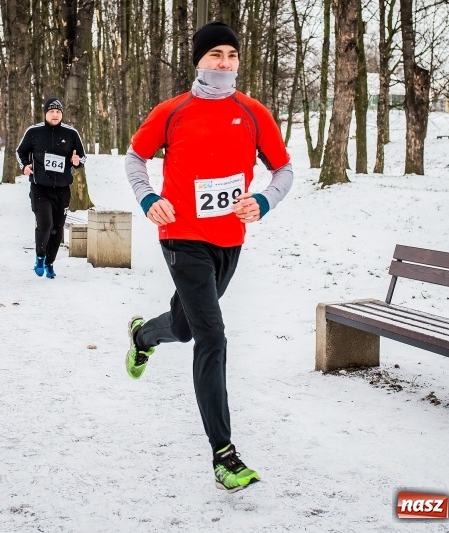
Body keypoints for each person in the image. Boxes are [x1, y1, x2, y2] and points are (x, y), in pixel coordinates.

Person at [124, 21, 293, 493]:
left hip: (229, 241)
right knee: (212, 337)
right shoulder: (173, 111)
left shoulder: (253, 112)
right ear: (198, 60)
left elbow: (283, 169)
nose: (224, 63)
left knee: (184, 326)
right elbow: (134, 158)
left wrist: (263, 201)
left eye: (231, 55)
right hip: (180, 236)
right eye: (215, 54)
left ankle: (143, 336)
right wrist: (147, 198)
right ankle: (224, 455)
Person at [15, 97, 86, 279]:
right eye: (51, 111)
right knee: (45, 224)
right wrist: (24, 165)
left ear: (61, 114)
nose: (55, 115)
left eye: (58, 112)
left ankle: (50, 262)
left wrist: (77, 162)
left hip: (62, 189)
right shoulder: (34, 132)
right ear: (45, 113)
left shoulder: (71, 133)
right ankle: (40, 256)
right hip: (40, 187)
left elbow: (82, 158)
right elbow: (20, 151)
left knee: (57, 228)